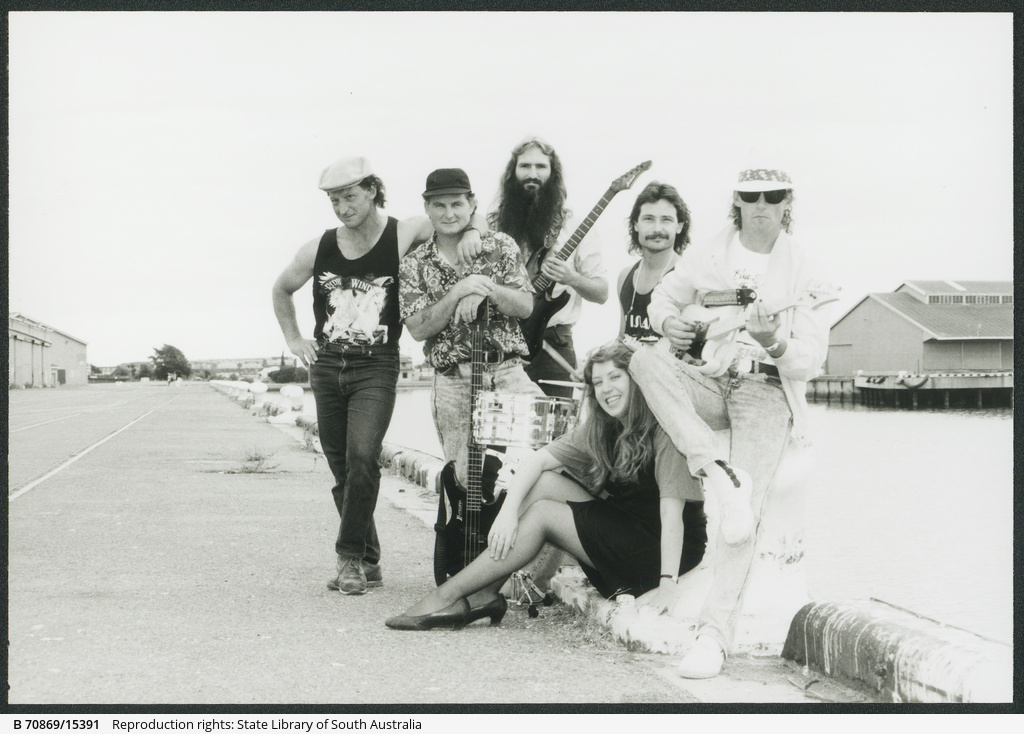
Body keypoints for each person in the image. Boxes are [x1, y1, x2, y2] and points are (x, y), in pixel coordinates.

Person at [628, 164, 834, 678]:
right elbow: (661, 300)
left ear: (788, 202)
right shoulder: (710, 252)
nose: (762, 205)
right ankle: (715, 469)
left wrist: (773, 341)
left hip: (767, 387)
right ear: (736, 201)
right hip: (711, 377)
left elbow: (809, 360)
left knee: (746, 516)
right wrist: (669, 323)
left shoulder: (806, 268)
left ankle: (714, 637)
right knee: (642, 359)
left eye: (773, 196)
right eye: (751, 196)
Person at [271, 156, 484, 596]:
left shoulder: (402, 233)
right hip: (327, 365)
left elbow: (459, 216)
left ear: (371, 190)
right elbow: (281, 288)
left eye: (350, 196)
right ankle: (369, 559)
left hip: (376, 366)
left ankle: (348, 560)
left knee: (363, 456)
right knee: (341, 468)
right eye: (334, 200)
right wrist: (295, 341)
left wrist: (477, 232)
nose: (343, 207)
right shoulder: (319, 247)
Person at [384, 341, 708, 630]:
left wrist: (668, 584)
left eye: (615, 377)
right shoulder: (605, 428)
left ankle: (449, 594)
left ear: (636, 380)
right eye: (597, 382)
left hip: (662, 557)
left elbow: (672, 515)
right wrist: (507, 513)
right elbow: (536, 461)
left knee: (543, 515)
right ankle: (484, 592)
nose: (605, 388)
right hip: (630, 533)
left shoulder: (664, 429)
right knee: (545, 482)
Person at [398, 167, 542, 498]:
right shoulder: (414, 264)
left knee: (549, 454)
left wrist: (487, 288)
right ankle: (469, 549)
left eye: (456, 204)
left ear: (471, 204)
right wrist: (459, 291)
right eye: (439, 206)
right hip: (453, 380)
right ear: (427, 208)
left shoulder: (501, 245)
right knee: (465, 484)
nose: (449, 214)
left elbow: (524, 306)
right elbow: (418, 329)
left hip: (508, 372)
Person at [488, 136, 609, 398]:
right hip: (499, 344)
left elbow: (601, 292)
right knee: (495, 433)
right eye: (525, 166)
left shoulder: (574, 225)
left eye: (541, 167)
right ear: (512, 172)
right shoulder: (493, 224)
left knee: (556, 432)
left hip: (554, 344)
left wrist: (572, 278)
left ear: (553, 173)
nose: (533, 174)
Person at [617, 181, 691, 341]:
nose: (657, 229)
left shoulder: (688, 276)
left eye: (666, 220)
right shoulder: (625, 276)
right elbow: (622, 338)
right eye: (649, 219)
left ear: (679, 226)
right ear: (636, 225)